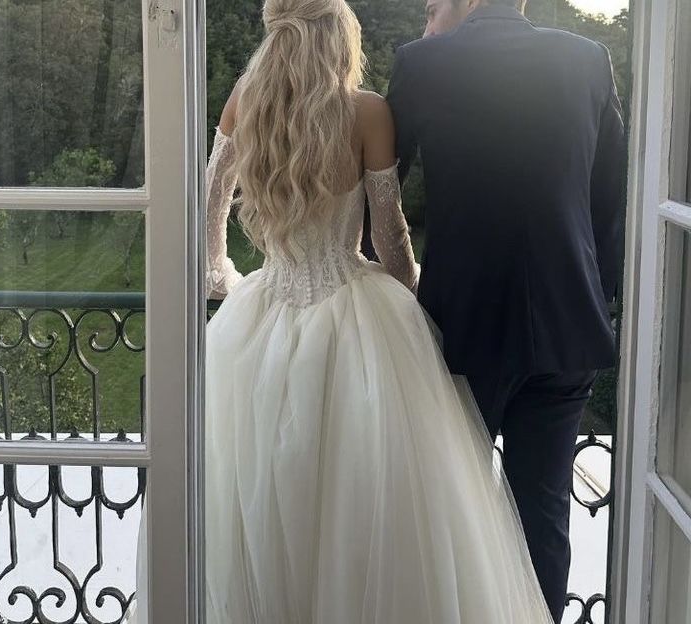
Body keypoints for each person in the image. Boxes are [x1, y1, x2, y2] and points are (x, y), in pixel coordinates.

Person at [200, 0, 554, 622]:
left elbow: (211, 199)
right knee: (363, 497)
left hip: (261, 314)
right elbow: (390, 236)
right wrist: (412, 302)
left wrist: (219, 272)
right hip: (352, 314)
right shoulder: (364, 111)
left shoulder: (245, 102)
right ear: (341, 36)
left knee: (253, 487)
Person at [387, 0, 626, 621]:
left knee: (448, 514)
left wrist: (379, 295)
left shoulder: (421, 64)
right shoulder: (587, 60)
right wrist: (596, 296)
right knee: (543, 518)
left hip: (457, 330)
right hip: (566, 327)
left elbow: (376, 196)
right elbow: (610, 202)